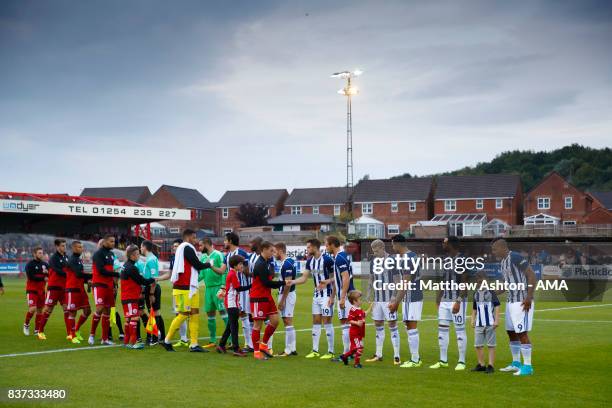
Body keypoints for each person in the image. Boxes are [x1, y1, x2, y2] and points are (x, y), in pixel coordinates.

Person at [160, 229, 212, 352]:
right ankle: (167, 341)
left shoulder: (183, 248)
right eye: (194, 238)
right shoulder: (187, 248)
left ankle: (194, 344)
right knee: (183, 314)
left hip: (190, 287)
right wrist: (209, 264)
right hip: (183, 287)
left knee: (194, 314)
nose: (195, 240)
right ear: (188, 237)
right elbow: (197, 265)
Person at [492, 238, 537, 376]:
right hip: (511, 301)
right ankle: (516, 363)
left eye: (494, 249)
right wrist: (491, 293)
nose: (493, 252)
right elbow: (507, 284)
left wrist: (528, 296)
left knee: (521, 333)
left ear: (502, 247)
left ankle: (528, 366)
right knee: (511, 332)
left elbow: (532, 275)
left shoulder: (515, 257)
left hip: (521, 301)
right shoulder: (503, 262)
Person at [286, 238, 336, 359]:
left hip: (327, 295)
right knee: (316, 321)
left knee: (327, 321)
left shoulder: (328, 260)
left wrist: (332, 296)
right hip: (316, 296)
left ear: (314, 247)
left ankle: (331, 351)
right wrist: (292, 282)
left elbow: (336, 278)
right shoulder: (310, 261)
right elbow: (304, 278)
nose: (307, 249)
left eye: (308, 247)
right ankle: (315, 350)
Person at [430, 236, 468, 371]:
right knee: (442, 331)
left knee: (459, 331)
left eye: (444, 243)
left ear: (451, 244)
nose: (442, 244)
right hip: (445, 301)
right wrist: (437, 298)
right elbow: (442, 280)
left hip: (457, 300)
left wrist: (458, 300)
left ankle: (462, 361)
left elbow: (465, 282)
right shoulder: (445, 260)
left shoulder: (463, 259)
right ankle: (443, 360)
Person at [388, 234, 424, 368]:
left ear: (397, 244)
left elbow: (406, 283)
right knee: (409, 325)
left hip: (411, 296)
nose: (392, 247)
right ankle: (415, 358)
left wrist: (396, 302)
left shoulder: (408, 259)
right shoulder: (412, 255)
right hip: (412, 295)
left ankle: (415, 359)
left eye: (392, 244)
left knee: (411, 326)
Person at [365, 239, 402, 365]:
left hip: (388, 300)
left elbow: (397, 280)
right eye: (373, 251)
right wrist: (369, 293)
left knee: (392, 325)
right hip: (377, 300)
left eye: (376, 250)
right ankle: (378, 354)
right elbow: (371, 278)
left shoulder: (392, 260)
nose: (374, 253)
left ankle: (397, 356)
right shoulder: (373, 261)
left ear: (382, 247)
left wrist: (394, 297)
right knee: (378, 325)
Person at [250, 241, 286, 360]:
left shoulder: (266, 262)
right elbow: (267, 283)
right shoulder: (260, 264)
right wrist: (284, 282)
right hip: (258, 298)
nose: (273, 253)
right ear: (264, 249)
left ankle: (263, 345)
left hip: (267, 297)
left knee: (275, 321)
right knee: (257, 325)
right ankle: (256, 352)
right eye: (271, 251)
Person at [325, 235, 355, 357]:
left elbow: (346, 278)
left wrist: (342, 297)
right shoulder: (342, 256)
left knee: (345, 324)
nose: (326, 247)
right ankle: (350, 352)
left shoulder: (339, 258)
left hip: (346, 296)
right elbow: (337, 280)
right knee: (348, 324)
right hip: (345, 295)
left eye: (326, 245)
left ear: (332, 244)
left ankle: (346, 353)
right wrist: (332, 297)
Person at [121, 245, 155, 349]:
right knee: (134, 318)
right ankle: (133, 342)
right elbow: (141, 280)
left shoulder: (126, 265)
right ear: (132, 255)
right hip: (130, 297)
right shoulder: (132, 268)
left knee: (128, 319)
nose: (139, 256)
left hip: (126, 297)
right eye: (137, 254)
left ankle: (127, 341)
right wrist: (152, 280)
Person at [217, 254, 250, 357]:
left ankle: (221, 345)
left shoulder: (233, 273)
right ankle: (236, 349)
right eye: (240, 264)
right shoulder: (232, 274)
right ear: (235, 265)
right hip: (231, 303)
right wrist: (252, 286)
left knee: (230, 326)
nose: (242, 266)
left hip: (232, 302)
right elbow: (238, 289)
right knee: (234, 326)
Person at [223, 232, 252, 351]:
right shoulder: (228, 255)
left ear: (230, 240)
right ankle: (233, 343)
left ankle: (248, 344)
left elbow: (248, 269)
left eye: (225, 240)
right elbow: (222, 271)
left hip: (243, 290)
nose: (224, 242)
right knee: (236, 316)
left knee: (244, 315)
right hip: (233, 291)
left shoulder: (242, 253)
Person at [89, 234, 120, 345]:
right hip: (99, 285)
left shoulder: (112, 254)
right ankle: (91, 335)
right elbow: (101, 271)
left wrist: (114, 285)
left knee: (107, 311)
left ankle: (105, 339)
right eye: (111, 241)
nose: (113, 243)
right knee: (100, 308)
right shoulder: (98, 254)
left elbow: (111, 271)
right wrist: (116, 274)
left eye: (114, 241)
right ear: (105, 242)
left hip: (109, 286)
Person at [159, 239, 189, 347]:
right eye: (174, 247)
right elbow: (170, 274)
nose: (174, 248)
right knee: (179, 313)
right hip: (176, 289)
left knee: (183, 313)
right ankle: (183, 338)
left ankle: (185, 338)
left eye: (176, 246)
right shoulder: (173, 259)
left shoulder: (186, 258)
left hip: (184, 289)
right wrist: (158, 278)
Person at [38, 239, 70, 340]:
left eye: (65, 246)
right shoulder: (53, 258)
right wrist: (69, 274)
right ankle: (40, 331)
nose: (64, 247)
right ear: (57, 247)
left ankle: (69, 333)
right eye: (62, 246)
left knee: (67, 310)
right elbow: (57, 271)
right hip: (54, 287)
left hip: (64, 287)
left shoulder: (67, 257)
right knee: (48, 309)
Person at [198, 237, 228, 348]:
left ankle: (229, 339)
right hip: (208, 289)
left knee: (223, 312)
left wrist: (223, 286)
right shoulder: (203, 257)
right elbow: (201, 274)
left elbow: (224, 271)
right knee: (210, 313)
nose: (200, 248)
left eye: (201, 245)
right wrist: (193, 282)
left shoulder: (218, 255)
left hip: (218, 287)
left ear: (207, 244)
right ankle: (212, 340)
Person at [471, 271, 500, 374]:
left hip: (490, 323)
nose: (480, 284)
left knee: (491, 345)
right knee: (478, 345)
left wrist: (496, 320)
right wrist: (472, 319)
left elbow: (496, 306)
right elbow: (474, 308)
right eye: (478, 282)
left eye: (482, 281)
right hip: (479, 323)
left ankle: (491, 365)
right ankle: (481, 364)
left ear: (487, 281)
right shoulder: (475, 294)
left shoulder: (491, 292)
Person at [272, 242, 297, 357]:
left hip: (287, 295)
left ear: (280, 251)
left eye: (275, 251)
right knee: (288, 321)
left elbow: (288, 284)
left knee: (287, 320)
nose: (273, 254)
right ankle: (292, 348)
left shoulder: (287, 264)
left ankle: (288, 350)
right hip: (287, 294)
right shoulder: (287, 262)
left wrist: (282, 300)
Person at [65, 241, 92, 344]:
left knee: (87, 311)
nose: (81, 249)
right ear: (74, 248)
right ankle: (72, 335)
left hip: (80, 289)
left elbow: (80, 276)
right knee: (73, 312)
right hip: (72, 289)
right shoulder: (72, 260)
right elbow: (78, 274)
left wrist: (87, 281)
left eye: (81, 247)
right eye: (79, 247)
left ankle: (76, 329)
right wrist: (93, 276)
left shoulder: (79, 260)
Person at [138, 240, 164, 345]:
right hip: (149, 289)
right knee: (153, 313)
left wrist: (152, 293)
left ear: (144, 247)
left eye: (141, 246)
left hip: (152, 289)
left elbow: (154, 278)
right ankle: (159, 336)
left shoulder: (151, 260)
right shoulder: (150, 259)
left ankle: (156, 337)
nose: (140, 248)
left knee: (155, 313)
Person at [339, 290, 370, 368]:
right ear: (354, 301)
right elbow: (349, 320)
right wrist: (357, 323)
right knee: (359, 348)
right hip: (355, 333)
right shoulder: (353, 310)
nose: (361, 300)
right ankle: (356, 363)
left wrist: (371, 307)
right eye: (359, 299)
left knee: (354, 349)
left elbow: (364, 314)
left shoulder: (359, 309)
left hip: (360, 333)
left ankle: (344, 357)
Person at [24, 246, 48, 337]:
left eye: (42, 253)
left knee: (40, 311)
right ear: (34, 254)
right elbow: (31, 277)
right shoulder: (30, 264)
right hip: (31, 290)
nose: (41, 254)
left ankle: (36, 330)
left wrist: (47, 273)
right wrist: (44, 277)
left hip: (41, 291)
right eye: (39, 253)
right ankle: (26, 325)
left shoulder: (45, 264)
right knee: (32, 308)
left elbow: (50, 274)